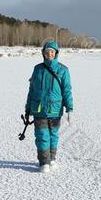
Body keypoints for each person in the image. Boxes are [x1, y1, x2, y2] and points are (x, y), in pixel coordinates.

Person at [24, 40, 73, 173]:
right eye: (47, 52)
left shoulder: (63, 70)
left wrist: (69, 108)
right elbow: (32, 90)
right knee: (42, 135)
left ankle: (52, 159)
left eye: (52, 52)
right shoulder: (38, 69)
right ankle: (44, 162)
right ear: (43, 53)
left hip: (55, 110)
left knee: (53, 135)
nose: (49, 54)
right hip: (39, 109)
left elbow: (67, 90)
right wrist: (28, 108)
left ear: (56, 53)